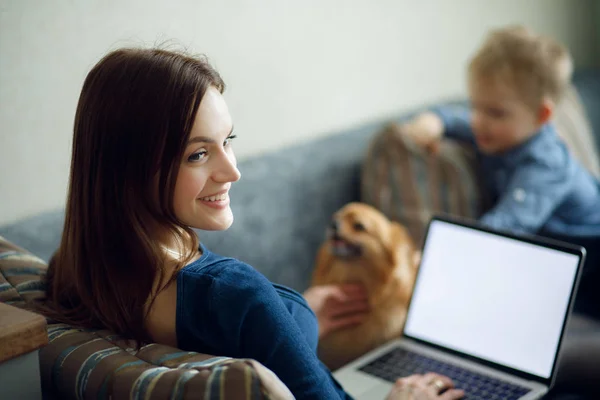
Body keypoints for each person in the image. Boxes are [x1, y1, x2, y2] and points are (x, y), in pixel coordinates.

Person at [39, 48, 465, 400]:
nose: (232, 171)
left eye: (228, 141)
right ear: (130, 170)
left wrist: (293, 315)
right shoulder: (232, 294)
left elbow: (232, 334)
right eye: (198, 154)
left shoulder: (77, 267)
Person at [400, 26, 600, 315]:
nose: (479, 121)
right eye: (475, 106)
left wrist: (438, 255)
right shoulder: (500, 133)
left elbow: (505, 228)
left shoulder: (545, 165)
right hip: (561, 261)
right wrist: (434, 121)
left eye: (495, 112)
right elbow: (457, 120)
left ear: (542, 115)